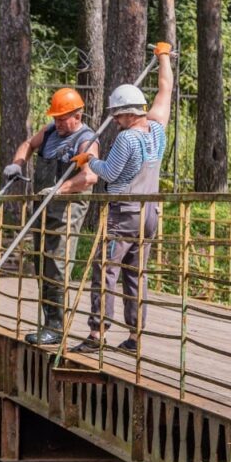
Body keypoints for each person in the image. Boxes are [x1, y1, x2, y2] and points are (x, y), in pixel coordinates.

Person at [68, 42, 174, 354]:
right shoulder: (157, 130)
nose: (114, 120)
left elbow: (110, 173)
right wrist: (163, 57)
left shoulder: (127, 138)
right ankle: (135, 336)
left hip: (123, 212)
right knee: (135, 274)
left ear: (128, 113)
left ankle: (96, 334)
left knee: (106, 270)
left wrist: (87, 160)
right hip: (149, 213)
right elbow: (165, 89)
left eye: (117, 115)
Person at [3, 88, 100, 345]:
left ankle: (56, 328)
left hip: (67, 208)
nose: (57, 123)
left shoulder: (86, 139)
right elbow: (28, 144)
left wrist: (60, 189)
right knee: (41, 262)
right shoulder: (49, 132)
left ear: (78, 116)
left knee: (57, 264)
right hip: (43, 206)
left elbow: (90, 176)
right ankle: (49, 321)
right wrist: (18, 163)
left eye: (62, 118)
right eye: (55, 118)